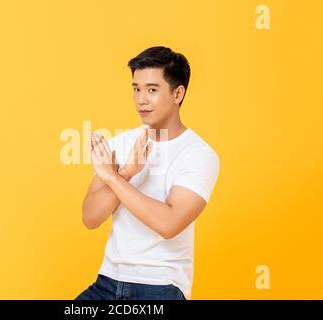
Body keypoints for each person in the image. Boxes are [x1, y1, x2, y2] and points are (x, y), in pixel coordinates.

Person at [76, 46, 220, 300]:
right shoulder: (120, 143)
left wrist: (113, 177)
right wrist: (128, 173)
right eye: (136, 89)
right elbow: (91, 218)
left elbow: (168, 223)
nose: (141, 99)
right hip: (108, 281)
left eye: (152, 90)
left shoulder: (199, 154)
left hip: (161, 286)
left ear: (178, 93)